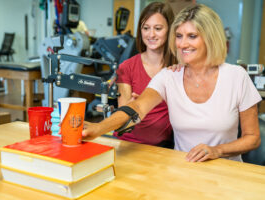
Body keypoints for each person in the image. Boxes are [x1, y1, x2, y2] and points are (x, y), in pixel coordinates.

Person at [82, 4, 261, 162]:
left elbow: (253, 138)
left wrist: (217, 150)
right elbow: (137, 107)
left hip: (228, 172)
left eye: (192, 36)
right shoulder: (168, 76)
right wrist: (99, 128)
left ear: (210, 38)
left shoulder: (237, 76)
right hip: (182, 169)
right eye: (179, 36)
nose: (183, 44)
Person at [114, 2, 176, 147]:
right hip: (128, 143)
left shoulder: (177, 68)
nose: (151, 34)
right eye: (146, 28)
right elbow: (123, 120)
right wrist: (130, 108)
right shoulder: (127, 67)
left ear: (170, 30)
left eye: (158, 28)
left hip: (162, 147)